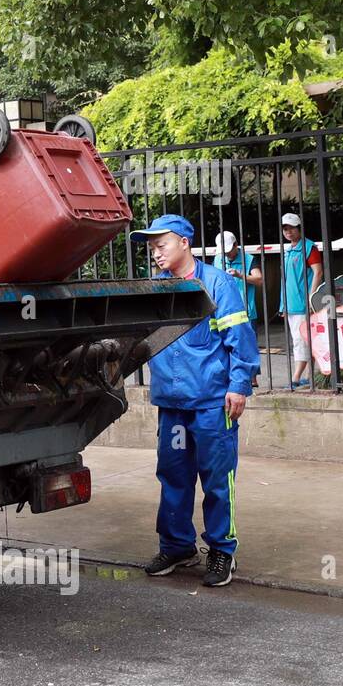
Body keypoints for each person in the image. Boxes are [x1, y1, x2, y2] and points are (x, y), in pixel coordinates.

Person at [130, 215, 260, 587]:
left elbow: (240, 338)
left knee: (217, 478)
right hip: (172, 403)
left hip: (211, 402)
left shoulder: (217, 284)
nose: (156, 252)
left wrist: (239, 385)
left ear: (185, 241)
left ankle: (222, 550)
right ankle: (176, 546)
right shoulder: (155, 288)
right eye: (152, 247)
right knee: (173, 476)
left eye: (162, 244)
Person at [278, 212, 323, 389]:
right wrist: (283, 305)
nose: (288, 231)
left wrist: (311, 298)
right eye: (285, 228)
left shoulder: (308, 247)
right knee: (305, 340)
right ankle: (309, 376)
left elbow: (318, 272)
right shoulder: (288, 250)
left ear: (298, 228)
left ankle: (296, 378)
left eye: (291, 228)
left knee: (300, 340)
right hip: (290, 304)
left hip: (303, 304)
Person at [217, 230, 263, 385]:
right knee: (226, 345)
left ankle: (252, 378)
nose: (227, 255)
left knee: (248, 345)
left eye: (229, 251)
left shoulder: (249, 259)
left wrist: (239, 274)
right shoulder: (218, 258)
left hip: (246, 310)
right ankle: (231, 377)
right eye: (225, 252)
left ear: (236, 245)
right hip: (223, 309)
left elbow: (259, 280)